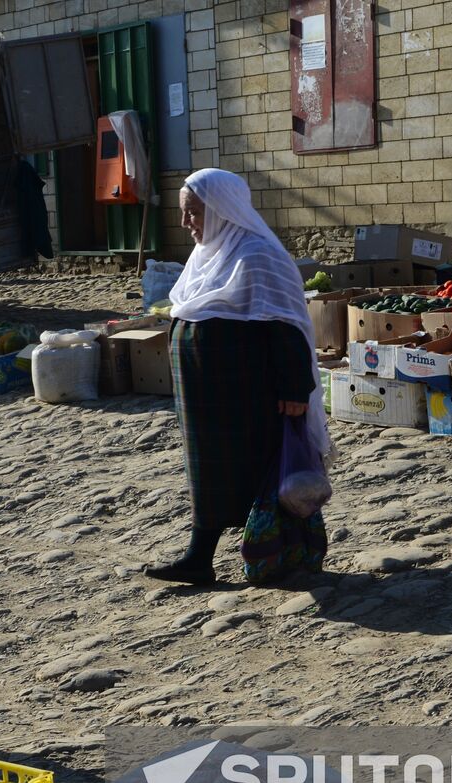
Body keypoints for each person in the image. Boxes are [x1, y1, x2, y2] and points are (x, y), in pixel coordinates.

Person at [145, 169, 330, 586]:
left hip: (252, 392)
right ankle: (199, 557)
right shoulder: (207, 256)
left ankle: (288, 552)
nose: (185, 223)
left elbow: (287, 325)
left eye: (192, 213)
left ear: (220, 210)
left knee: (268, 469)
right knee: (209, 471)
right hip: (209, 396)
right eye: (184, 213)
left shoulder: (258, 255)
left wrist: (294, 388)